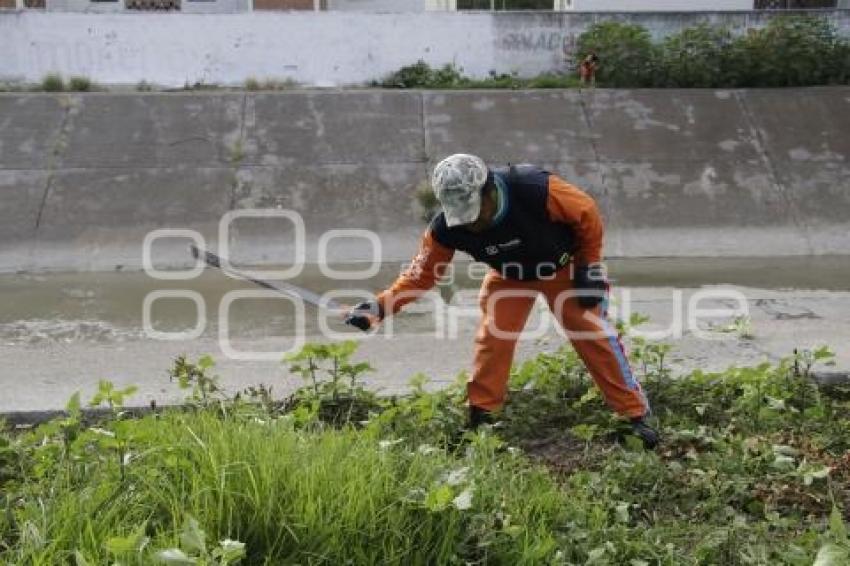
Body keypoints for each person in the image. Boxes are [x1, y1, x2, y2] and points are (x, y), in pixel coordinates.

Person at [344, 154, 658, 449]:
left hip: (566, 266)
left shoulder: (534, 188)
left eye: (474, 210)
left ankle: (635, 416)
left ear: (490, 190)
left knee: (591, 334)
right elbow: (420, 275)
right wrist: (380, 307)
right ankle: (482, 417)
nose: (471, 223)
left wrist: (589, 265)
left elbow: (587, 213)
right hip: (509, 277)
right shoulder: (445, 229)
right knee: (494, 336)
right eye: (461, 216)